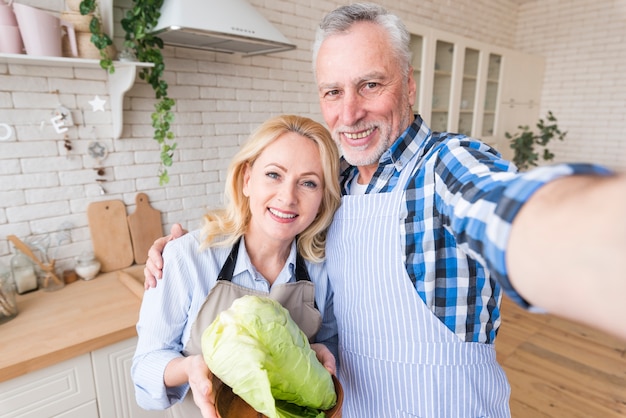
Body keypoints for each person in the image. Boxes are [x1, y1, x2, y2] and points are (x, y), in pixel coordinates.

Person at [144, 3, 626, 417]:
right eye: (333, 91)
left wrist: (590, 238)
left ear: (409, 86)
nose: (349, 113)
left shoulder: (446, 166)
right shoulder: (338, 189)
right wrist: (178, 252)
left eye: (371, 84)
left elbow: (507, 209)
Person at [132, 114, 342, 418]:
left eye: (308, 183)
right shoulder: (187, 258)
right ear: (246, 180)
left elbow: (329, 343)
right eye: (274, 175)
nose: (287, 197)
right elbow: (144, 370)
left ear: (322, 198)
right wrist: (189, 367)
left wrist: (324, 354)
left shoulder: (323, 268)